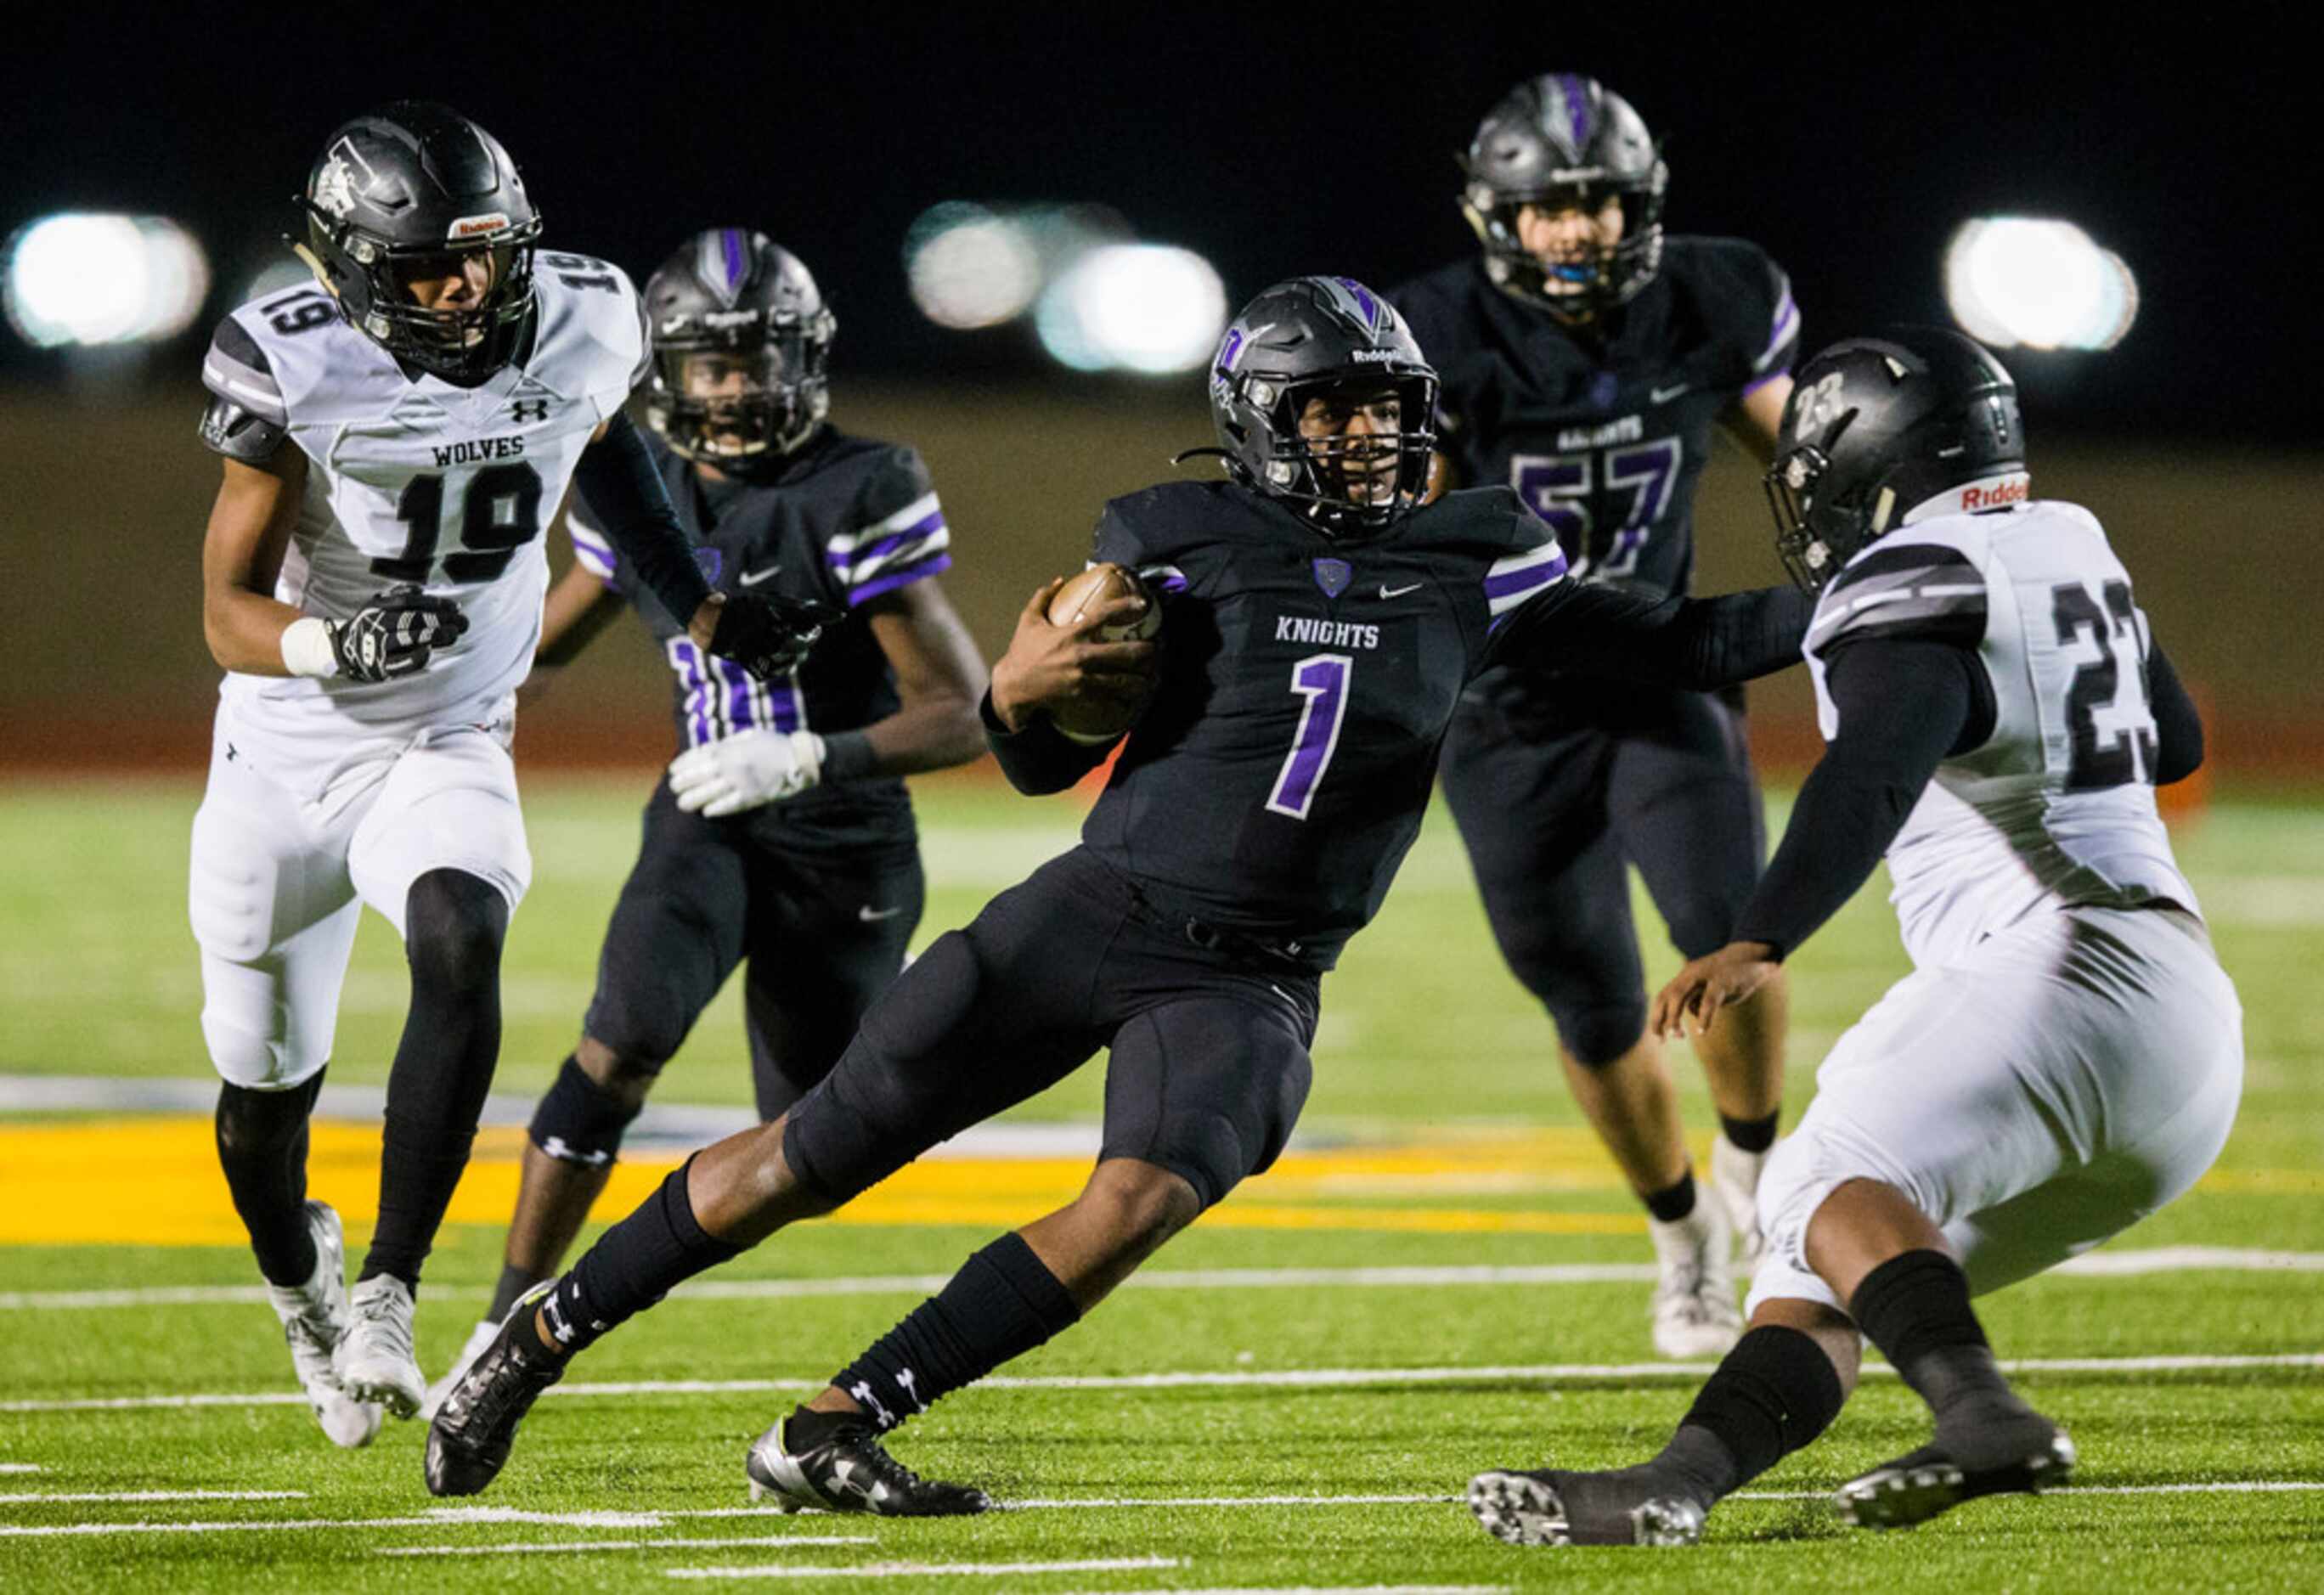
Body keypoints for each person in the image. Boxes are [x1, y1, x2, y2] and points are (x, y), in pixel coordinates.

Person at [421, 274, 1814, 1508]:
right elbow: (1031, 759)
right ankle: (533, 1339)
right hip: (1097, 907)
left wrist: (1861, 587)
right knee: (809, 1151)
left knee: (1139, 1198)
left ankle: (838, 1420)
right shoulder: (1171, 532)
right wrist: (1020, 695)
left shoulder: (1482, 551)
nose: (1368, 436)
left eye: (1384, 409)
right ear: (1264, 417)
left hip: (1256, 974)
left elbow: (1687, 640)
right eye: (1330, 411)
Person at [1467, 328, 2242, 1547]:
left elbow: (1874, 765)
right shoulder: (2064, 542)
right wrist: (1532, 603)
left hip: (2060, 966)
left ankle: (1984, 1413)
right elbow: (2178, 740)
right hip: (2184, 1042)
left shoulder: (1920, 579)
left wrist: (1758, 934)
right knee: (1817, 1249)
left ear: (1875, 457)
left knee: (1819, 1177)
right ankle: (1679, 1480)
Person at [190, 104, 821, 1446]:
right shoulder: (291, 360)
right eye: (427, 266)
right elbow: (224, 607)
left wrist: (703, 609)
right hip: (286, 749)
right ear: (353, 268)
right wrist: (336, 636)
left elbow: (615, 464)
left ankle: (389, 1286)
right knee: (257, 1120)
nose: (465, 290)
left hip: (450, 732)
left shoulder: (585, 318)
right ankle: (302, 1278)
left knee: (459, 929)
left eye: (482, 258)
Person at [421, 230, 987, 1412]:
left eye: (754, 359)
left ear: (805, 355)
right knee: (620, 1039)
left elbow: (961, 714)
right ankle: (507, 1312)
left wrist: (809, 755)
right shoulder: (646, 484)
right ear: (665, 371)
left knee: (813, 1140)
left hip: (844, 836)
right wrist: (414, 700)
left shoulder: (861, 483)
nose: (733, 386)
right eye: (710, 364)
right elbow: (537, 646)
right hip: (704, 817)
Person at [1390, 73, 1800, 1355]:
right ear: (1492, 213)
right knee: (1589, 994)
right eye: (1548, 208)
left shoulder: (1712, 299)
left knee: (1730, 932)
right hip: (1510, 700)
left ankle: (1752, 1173)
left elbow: (1804, 460)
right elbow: (1422, 529)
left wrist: (1869, 557)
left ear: (1642, 207)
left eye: (1596, 204)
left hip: (1660, 671)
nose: (1575, 230)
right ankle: (1682, 1238)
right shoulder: (1439, 334)